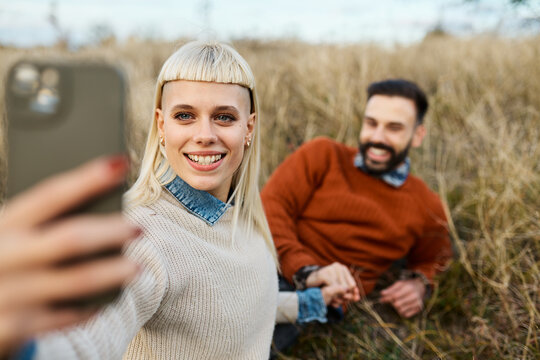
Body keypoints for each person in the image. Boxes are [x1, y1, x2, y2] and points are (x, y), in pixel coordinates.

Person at [33, 41, 346, 360]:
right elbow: (84, 336)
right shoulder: (139, 235)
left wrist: (312, 303)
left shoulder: (241, 214)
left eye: (224, 117)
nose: (205, 134)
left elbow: (229, 304)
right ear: (161, 125)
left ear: (248, 127)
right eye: (185, 115)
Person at [261, 79, 453, 327]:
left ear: (417, 135)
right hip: (263, 261)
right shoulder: (323, 154)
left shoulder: (426, 204)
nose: (377, 137)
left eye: (394, 128)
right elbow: (270, 208)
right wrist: (307, 270)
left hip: (320, 300)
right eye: (371, 123)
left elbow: (437, 258)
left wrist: (419, 283)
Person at [0, 156, 140, 359]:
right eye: (184, 120)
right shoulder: (149, 232)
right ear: (161, 127)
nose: (204, 136)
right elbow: (81, 344)